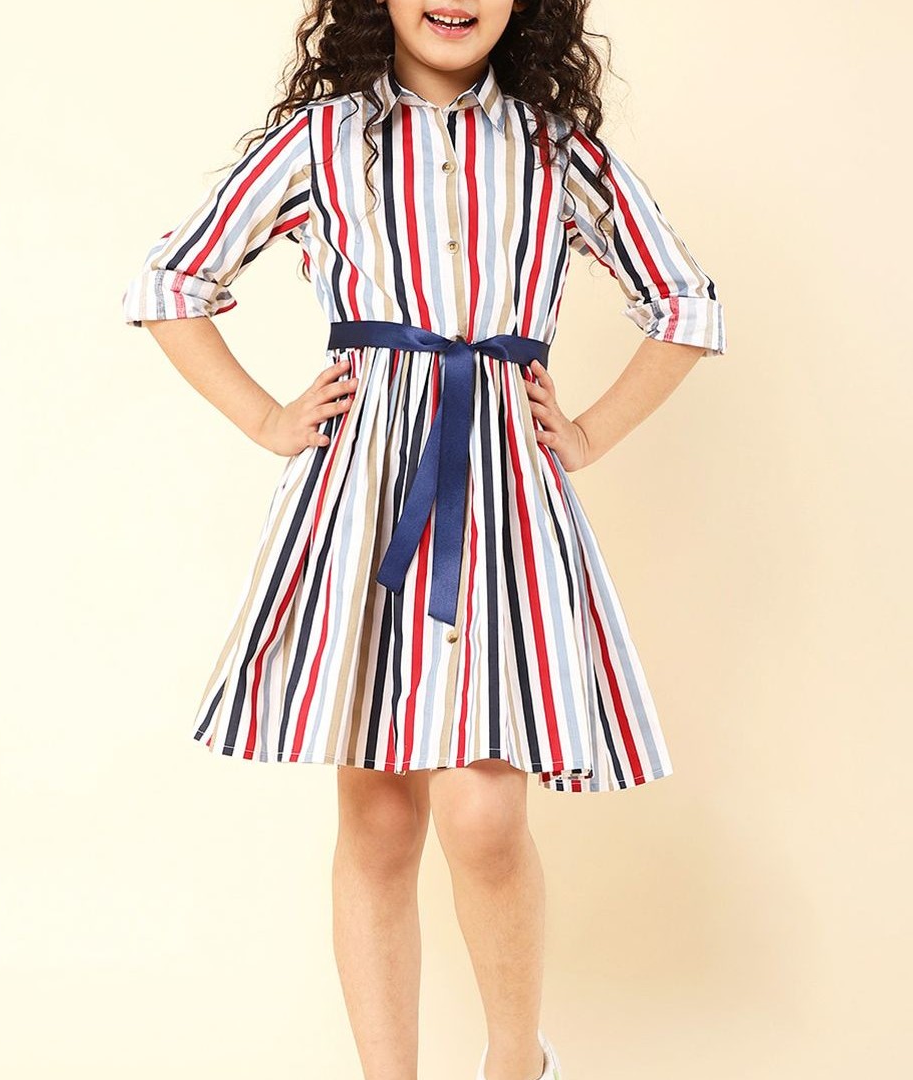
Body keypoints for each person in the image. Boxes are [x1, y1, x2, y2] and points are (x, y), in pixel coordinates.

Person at [121, 2, 726, 1077]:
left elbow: (684, 301)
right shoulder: (322, 139)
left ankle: (515, 1062)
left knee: (483, 812)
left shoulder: (555, 148)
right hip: (364, 492)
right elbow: (171, 283)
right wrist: (266, 418)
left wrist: (587, 432)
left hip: (501, 493)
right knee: (381, 814)